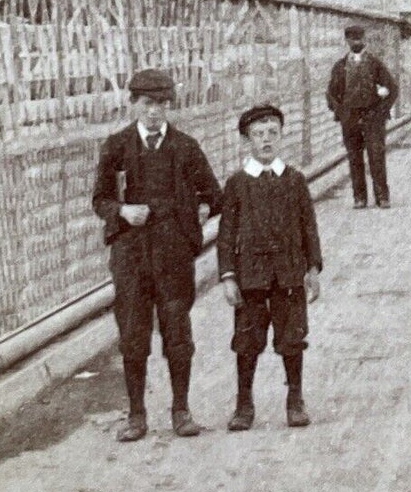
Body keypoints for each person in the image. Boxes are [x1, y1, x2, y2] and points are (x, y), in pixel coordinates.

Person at [90, 68, 223, 442]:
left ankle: (181, 410)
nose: (154, 112)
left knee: (177, 330)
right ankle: (136, 415)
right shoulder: (116, 147)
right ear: (132, 104)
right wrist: (121, 212)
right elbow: (99, 199)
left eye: (162, 105)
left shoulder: (185, 147)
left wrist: (194, 215)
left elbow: (214, 195)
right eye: (147, 104)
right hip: (130, 255)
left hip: (172, 254)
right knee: (133, 333)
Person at [218, 103, 323, 431]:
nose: (266, 141)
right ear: (247, 140)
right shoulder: (237, 184)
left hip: (289, 273)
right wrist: (228, 276)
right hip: (251, 277)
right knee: (247, 340)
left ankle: (295, 399)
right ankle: (244, 404)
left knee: (292, 337)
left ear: (281, 136)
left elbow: (309, 227)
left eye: (272, 134)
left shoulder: (294, 180)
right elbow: (226, 234)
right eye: (258, 135)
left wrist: (313, 269)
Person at [326, 24, 399, 209]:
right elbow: (331, 94)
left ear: (364, 40)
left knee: (376, 155)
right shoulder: (340, 66)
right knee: (354, 157)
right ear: (347, 41)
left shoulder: (375, 63)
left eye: (359, 39)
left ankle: (382, 196)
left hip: (372, 117)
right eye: (352, 39)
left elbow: (392, 89)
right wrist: (340, 112)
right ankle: (359, 198)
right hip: (350, 118)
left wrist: (381, 112)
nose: (356, 42)